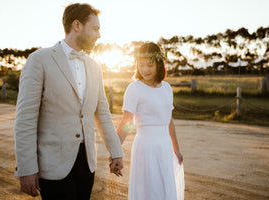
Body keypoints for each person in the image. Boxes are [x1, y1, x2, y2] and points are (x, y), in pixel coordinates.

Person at [14, 3, 124, 200]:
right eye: (96, 28)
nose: (99, 35)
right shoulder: (39, 60)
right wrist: (26, 168)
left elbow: (103, 114)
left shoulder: (95, 67)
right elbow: (25, 119)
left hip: (87, 164)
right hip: (53, 166)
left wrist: (116, 152)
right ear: (77, 25)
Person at [116, 42, 185, 200]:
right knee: (148, 192)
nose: (145, 70)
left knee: (164, 190)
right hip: (145, 148)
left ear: (159, 64)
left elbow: (169, 121)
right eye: (141, 65)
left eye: (150, 65)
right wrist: (115, 151)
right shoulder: (134, 89)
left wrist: (176, 149)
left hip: (164, 147)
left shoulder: (167, 88)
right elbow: (126, 122)